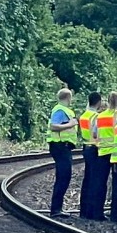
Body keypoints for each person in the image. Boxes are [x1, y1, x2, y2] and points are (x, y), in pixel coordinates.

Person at [89, 91, 117, 222]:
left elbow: (94, 133)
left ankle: (97, 212)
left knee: (100, 183)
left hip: (102, 151)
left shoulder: (100, 116)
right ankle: (115, 214)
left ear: (107, 101)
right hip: (115, 153)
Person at [46, 88, 79, 217]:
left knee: (64, 176)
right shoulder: (60, 110)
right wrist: (70, 125)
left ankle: (57, 208)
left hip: (63, 146)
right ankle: (56, 209)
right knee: (63, 177)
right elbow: (53, 126)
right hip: (60, 146)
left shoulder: (63, 110)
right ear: (68, 98)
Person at [77, 92, 103, 219]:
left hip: (85, 146)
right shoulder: (96, 117)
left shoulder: (84, 116)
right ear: (98, 102)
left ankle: (84, 210)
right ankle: (92, 211)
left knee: (87, 179)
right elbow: (96, 133)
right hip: (94, 148)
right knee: (95, 180)